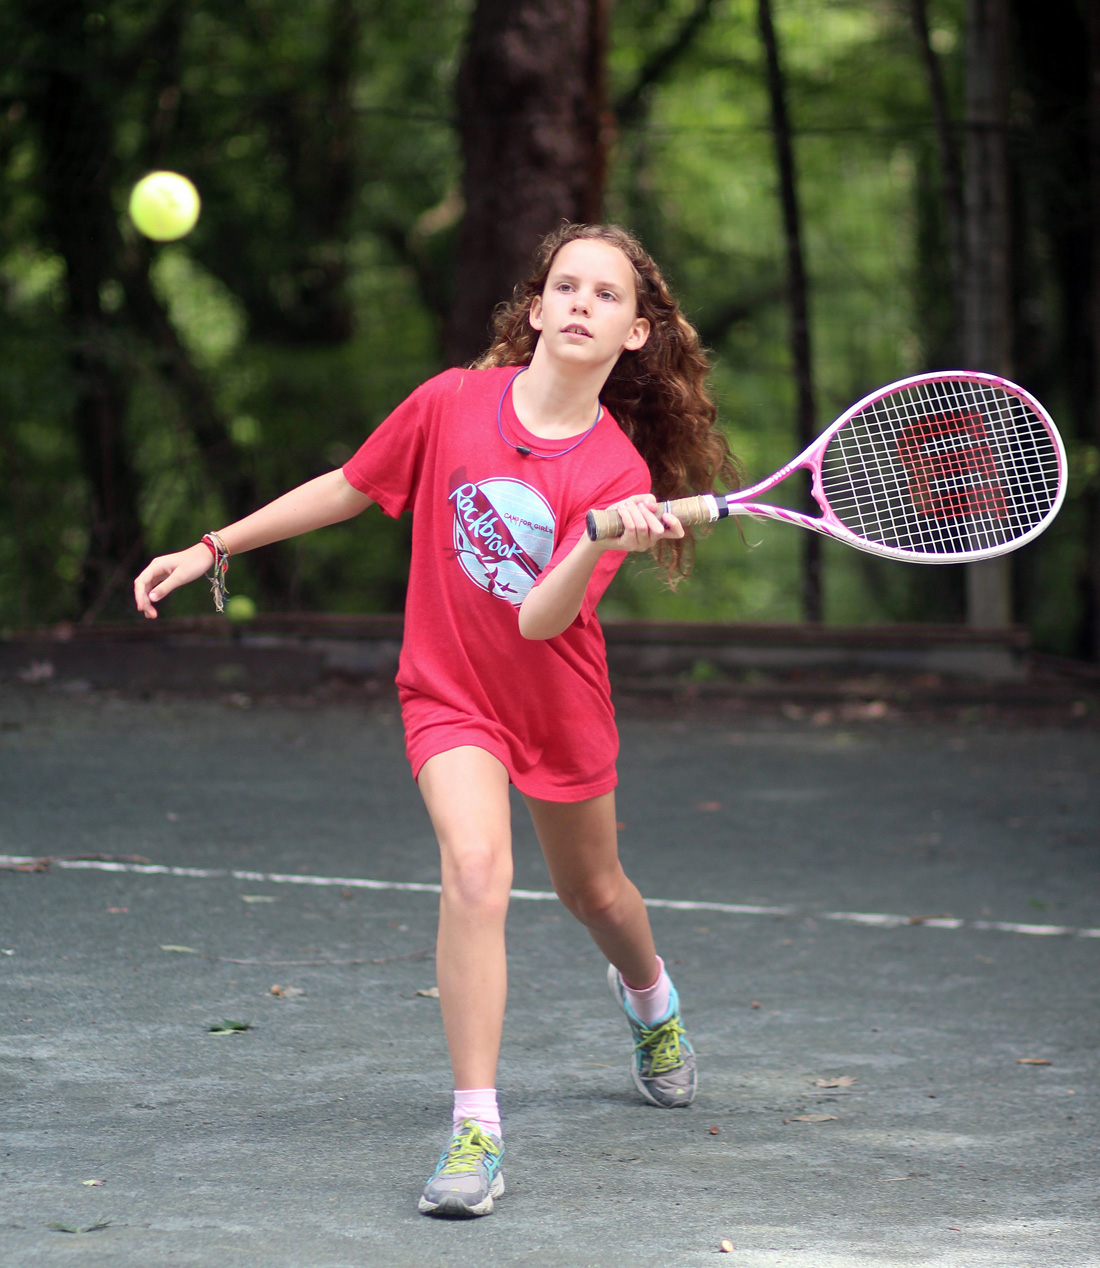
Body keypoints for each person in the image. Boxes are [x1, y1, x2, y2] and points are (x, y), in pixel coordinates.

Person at [133, 222, 739, 1219]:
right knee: (475, 872)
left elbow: (540, 619)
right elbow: (349, 483)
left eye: (608, 294)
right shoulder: (451, 402)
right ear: (534, 309)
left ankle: (649, 999)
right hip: (449, 691)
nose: (582, 302)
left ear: (636, 332)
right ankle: (475, 1128)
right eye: (565, 285)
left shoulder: (617, 473)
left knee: (594, 892)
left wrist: (594, 540)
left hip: (555, 700)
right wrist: (213, 546)